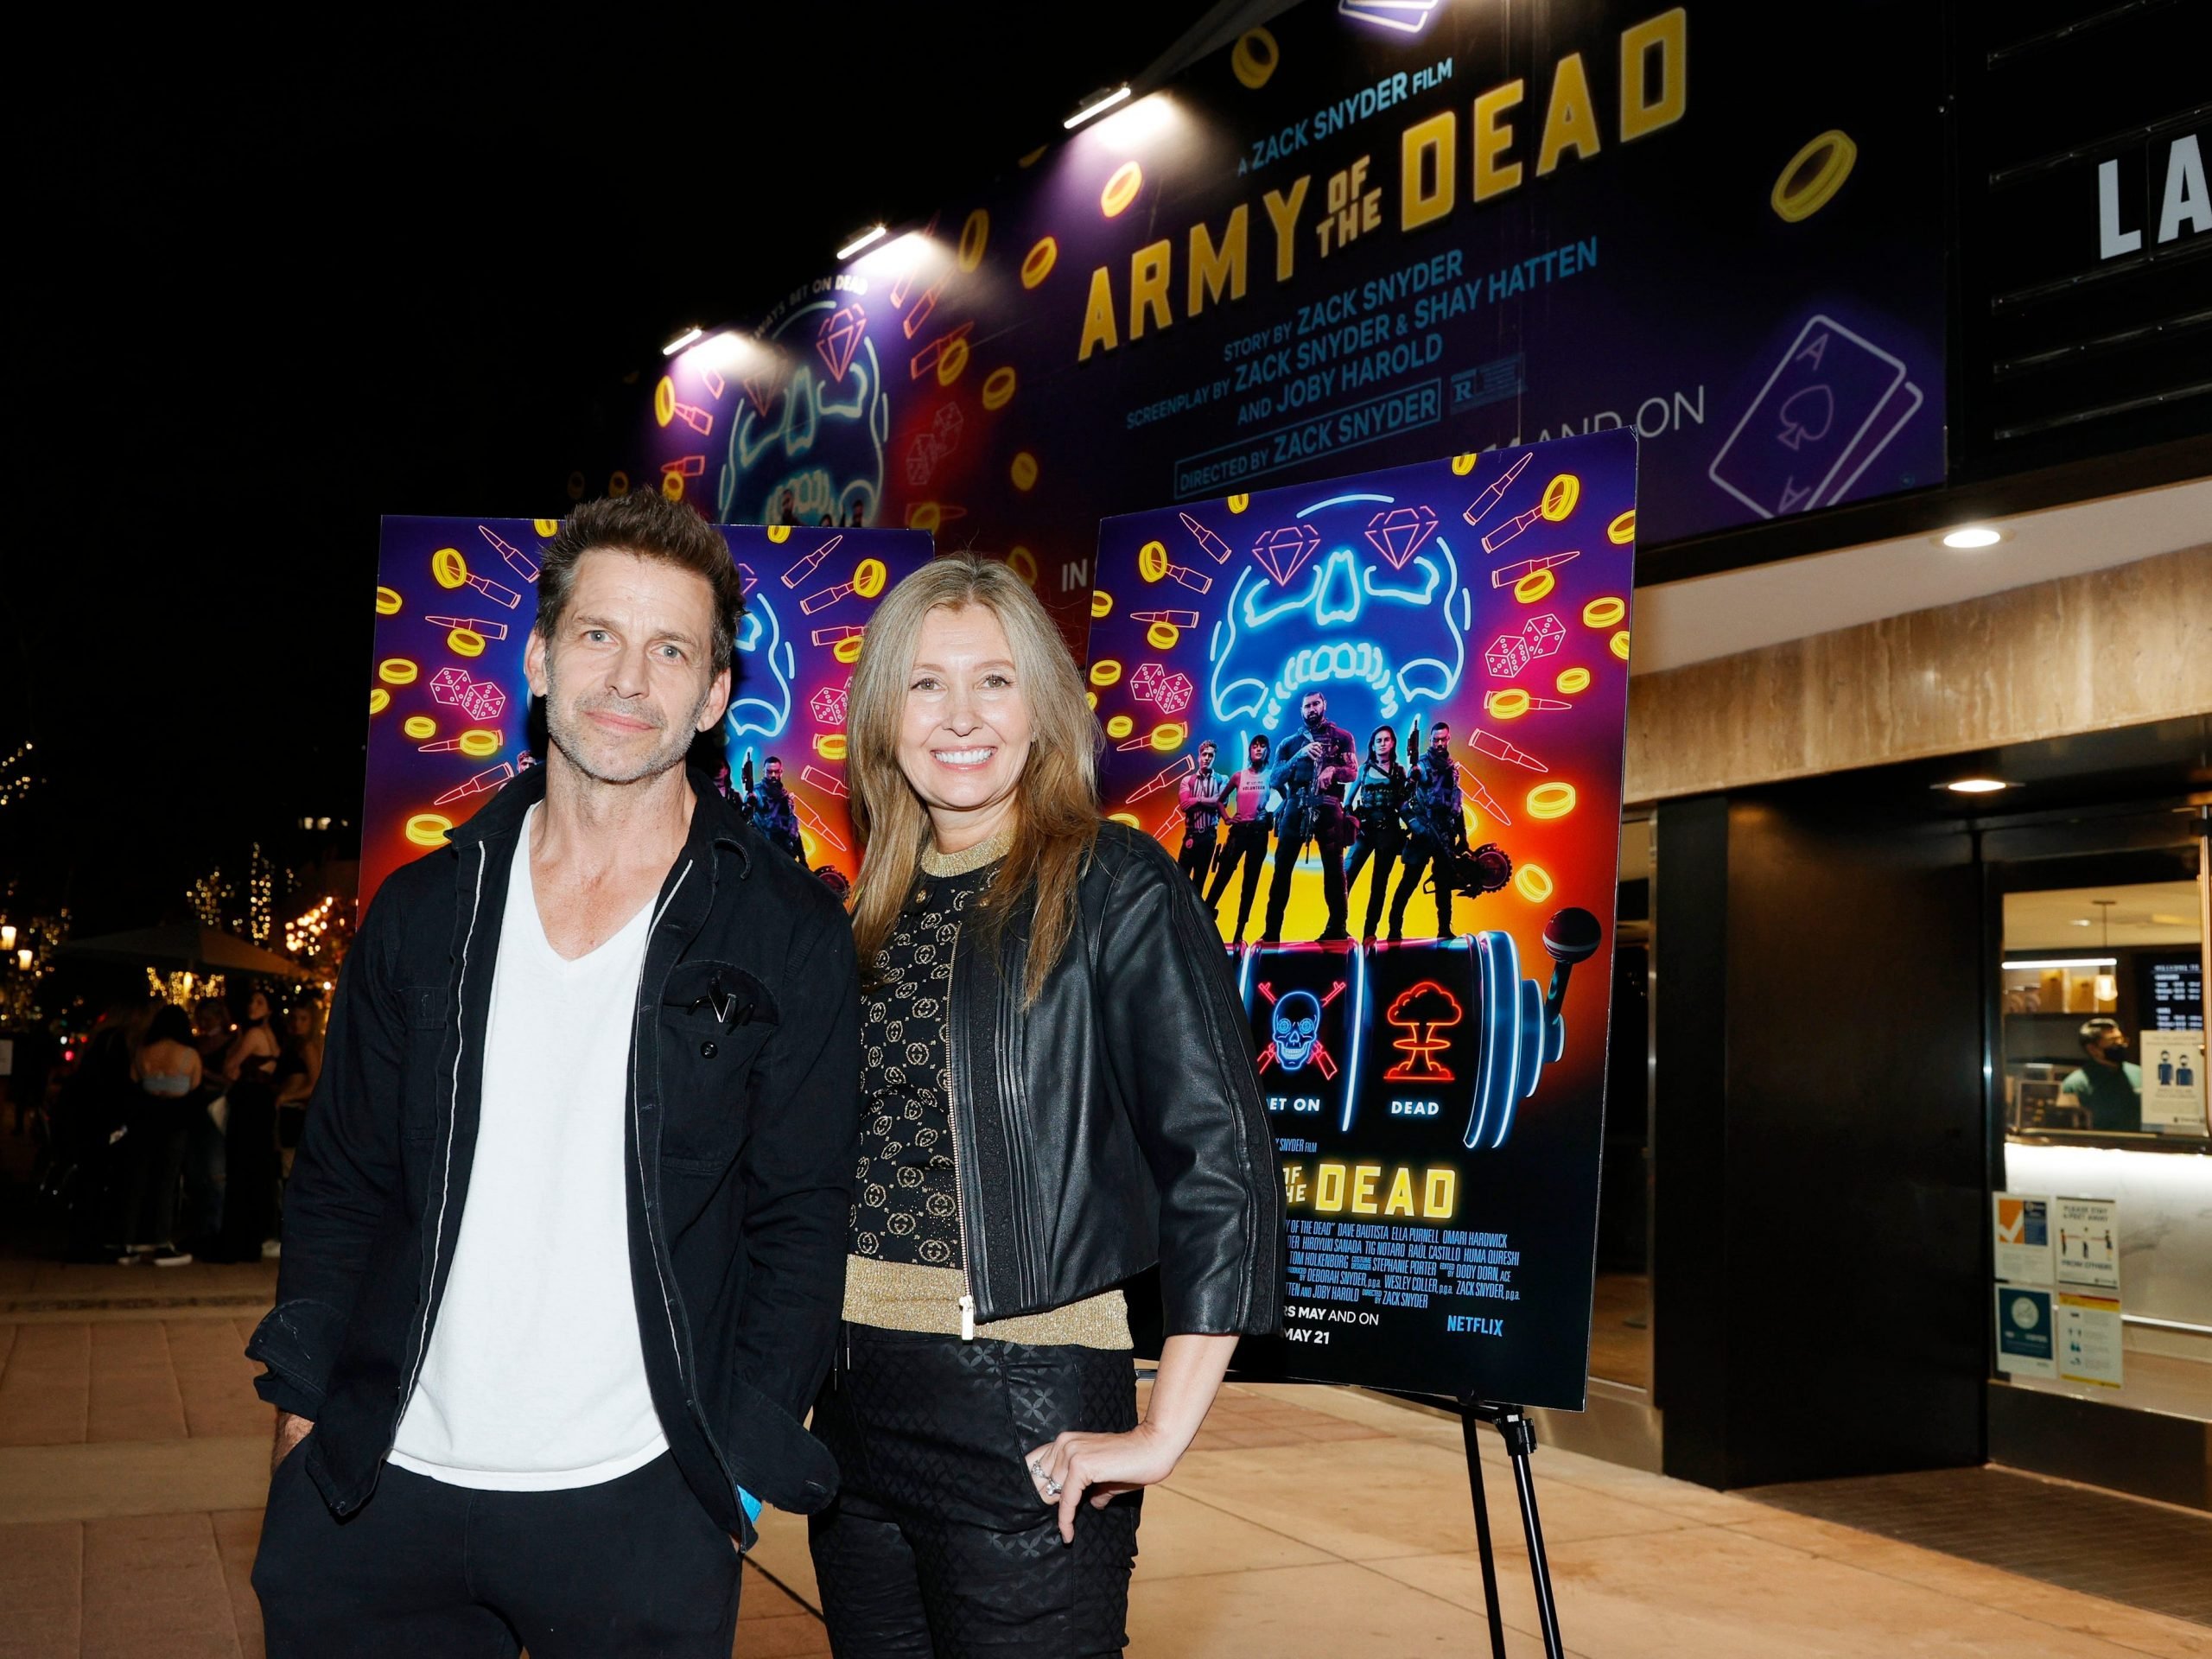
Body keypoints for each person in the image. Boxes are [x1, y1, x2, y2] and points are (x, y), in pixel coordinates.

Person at [248, 493, 861, 1657]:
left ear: (716, 693)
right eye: (598, 636)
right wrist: (301, 1416)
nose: (629, 678)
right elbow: (339, 1183)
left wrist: (731, 1470)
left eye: (671, 648)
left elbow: (800, 1218)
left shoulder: (788, 932)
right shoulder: (426, 909)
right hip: (378, 1486)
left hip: (644, 1502)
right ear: (537, 659)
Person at [811, 555, 1281, 1656]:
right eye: (926, 685)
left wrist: (1163, 1429)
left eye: (995, 681)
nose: (961, 716)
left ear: (1044, 709)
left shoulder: (1112, 881)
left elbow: (1223, 1160)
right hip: (847, 1408)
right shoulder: (858, 917)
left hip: (1025, 1397)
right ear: (885, 716)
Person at [1260, 690, 1357, 944]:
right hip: (1296, 803)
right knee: (1282, 870)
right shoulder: (1289, 743)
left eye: (1315, 704)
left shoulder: (1343, 737)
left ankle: (1337, 928)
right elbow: (1274, 778)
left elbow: (1353, 772)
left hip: (1328, 804)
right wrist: (1298, 756)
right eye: (1307, 706)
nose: (1311, 709)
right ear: (1301, 710)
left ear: (1324, 705)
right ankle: (1271, 933)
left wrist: (1333, 770)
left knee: (1335, 870)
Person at [115, 1004, 201, 1266]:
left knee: (137, 1180)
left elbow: (133, 1079)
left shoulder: (143, 1051)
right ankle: (162, 1239)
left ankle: (128, 1238)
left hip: (146, 1119)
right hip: (175, 1121)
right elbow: (195, 1086)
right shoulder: (189, 1054)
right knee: (167, 1182)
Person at [207, 988, 282, 1262]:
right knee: (255, 1173)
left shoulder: (253, 1035)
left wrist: (236, 1049)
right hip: (260, 1105)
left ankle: (237, 1242)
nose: (253, 1005)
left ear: (269, 1009)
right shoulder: (270, 1036)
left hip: (248, 1104)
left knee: (241, 1171)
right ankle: (251, 1239)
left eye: (260, 1002)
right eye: (252, 1000)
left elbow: (231, 1069)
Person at [1388, 721, 1467, 942]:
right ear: (1430, 740)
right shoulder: (1421, 766)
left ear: (1448, 739)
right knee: (1408, 883)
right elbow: (1402, 798)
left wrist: (1463, 836)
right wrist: (1415, 825)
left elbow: (1456, 804)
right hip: (1424, 832)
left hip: (1445, 833)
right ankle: (1394, 929)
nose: (1439, 743)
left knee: (1444, 885)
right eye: (1435, 740)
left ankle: (1444, 929)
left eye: (1443, 739)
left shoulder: (1452, 769)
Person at [1342, 724, 1411, 944]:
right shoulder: (1363, 770)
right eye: (1378, 740)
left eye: (1386, 740)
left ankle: (1369, 934)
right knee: (1344, 877)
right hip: (1364, 830)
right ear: (1373, 745)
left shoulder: (1399, 771)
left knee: (1379, 885)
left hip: (1388, 832)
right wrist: (1349, 820)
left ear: (1393, 743)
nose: (1382, 744)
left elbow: (1403, 803)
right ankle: (1337, 926)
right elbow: (1348, 802)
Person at [1204, 735, 1273, 944]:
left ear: (1267, 751)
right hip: (1239, 832)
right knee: (1222, 876)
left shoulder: (1271, 776)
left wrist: (1272, 814)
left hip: (1259, 833)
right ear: (1250, 750)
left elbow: (1287, 797)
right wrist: (1226, 818)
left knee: (1250, 883)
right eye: (1255, 746)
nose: (1258, 749)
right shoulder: (1238, 776)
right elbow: (1219, 801)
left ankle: (1239, 932)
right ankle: (1204, 920)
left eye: (1262, 746)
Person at [2061, 1018, 2143, 1133]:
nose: (2121, 1044)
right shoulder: (2075, 1085)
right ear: (2093, 1049)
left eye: (2121, 1039)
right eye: (2113, 1041)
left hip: (2141, 1146)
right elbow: (2067, 1129)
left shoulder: (2140, 1074)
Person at [1175, 739, 1226, 888]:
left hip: (1208, 836)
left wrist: (1196, 800)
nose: (1207, 758)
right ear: (1199, 757)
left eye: (1211, 755)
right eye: (1204, 754)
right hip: (1191, 834)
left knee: (1199, 882)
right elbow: (1184, 805)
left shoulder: (1221, 779)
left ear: (1214, 757)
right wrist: (1208, 801)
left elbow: (1221, 803)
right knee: (1181, 880)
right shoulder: (1188, 780)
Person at [752, 754, 806, 861]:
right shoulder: (756, 792)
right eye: (769, 771)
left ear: (781, 772)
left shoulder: (784, 795)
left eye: (776, 772)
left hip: (783, 849)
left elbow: (793, 826)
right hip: (764, 848)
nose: (773, 775)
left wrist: (802, 858)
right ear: (764, 771)